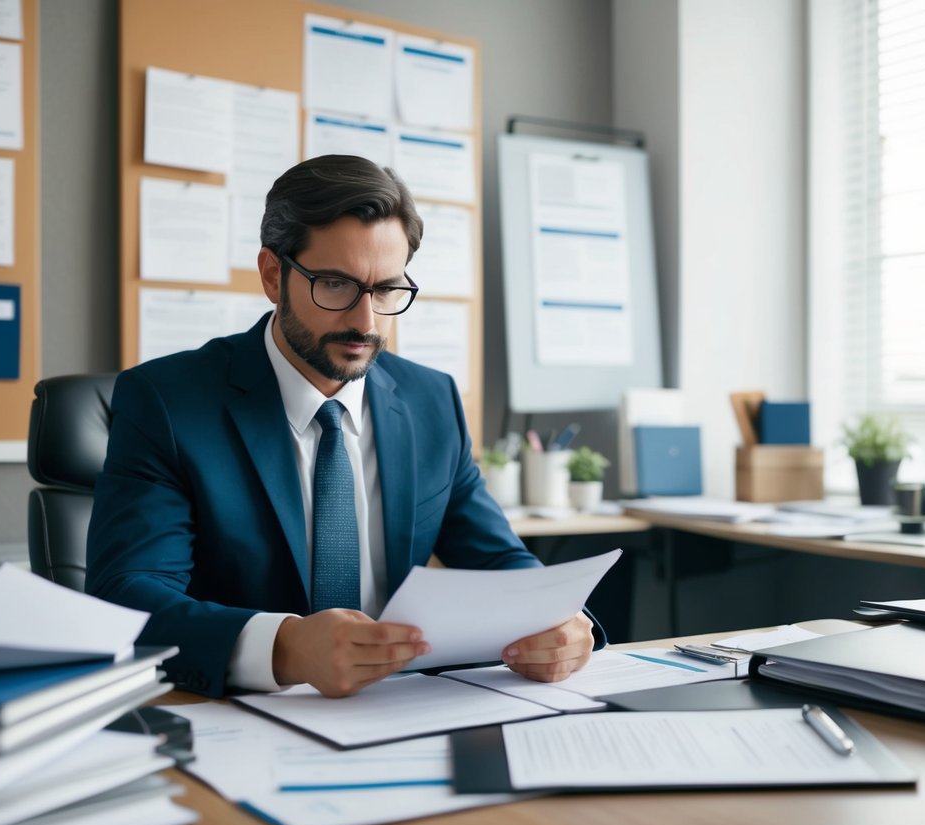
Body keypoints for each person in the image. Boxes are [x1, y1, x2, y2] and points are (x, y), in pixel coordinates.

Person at [87, 155, 603, 699]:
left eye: (385, 290)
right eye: (335, 284)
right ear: (272, 275)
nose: (366, 322)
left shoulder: (431, 401)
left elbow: (498, 559)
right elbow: (128, 595)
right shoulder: (169, 402)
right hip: (239, 714)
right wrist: (285, 647)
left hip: (403, 714)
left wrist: (561, 621)